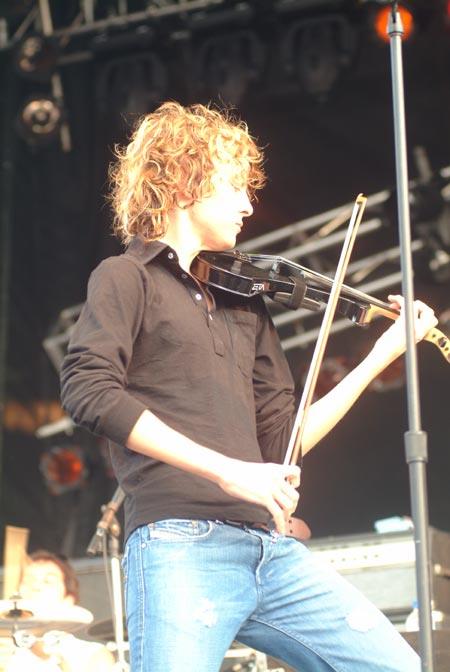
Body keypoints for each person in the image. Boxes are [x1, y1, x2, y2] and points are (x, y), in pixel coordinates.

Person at [60, 101, 437, 672]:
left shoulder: (244, 303)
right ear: (184, 181)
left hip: (269, 548)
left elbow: (284, 441)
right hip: (180, 542)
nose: (248, 204)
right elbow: (88, 390)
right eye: (235, 186)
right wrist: (227, 471)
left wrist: (381, 355)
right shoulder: (125, 277)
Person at [3, 550, 115, 672]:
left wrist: (52, 659)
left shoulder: (92, 655)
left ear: (69, 599)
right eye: (28, 581)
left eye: (48, 581)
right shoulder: (5, 650)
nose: (35, 587)